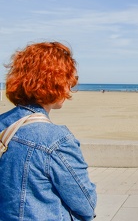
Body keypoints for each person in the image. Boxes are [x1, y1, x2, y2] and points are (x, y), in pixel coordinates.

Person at [0, 41, 97, 220]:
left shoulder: (3, 123)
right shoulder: (55, 140)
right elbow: (86, 204)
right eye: (67, 81)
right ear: (54, 82)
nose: (69, 88)